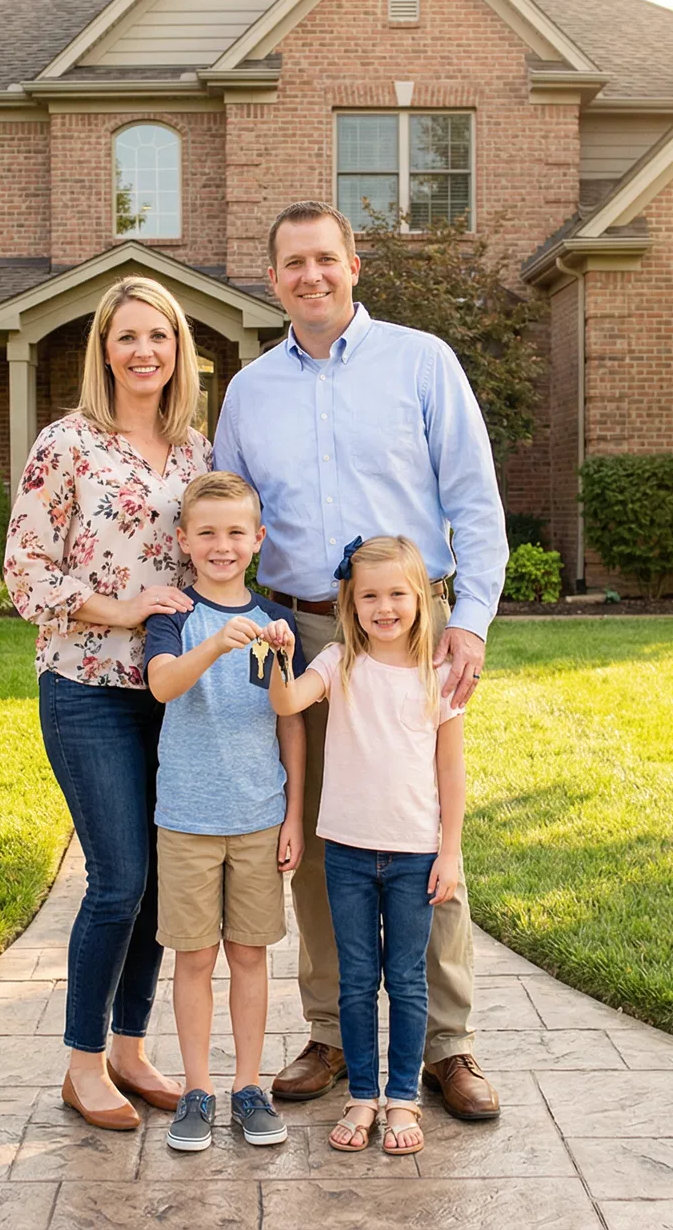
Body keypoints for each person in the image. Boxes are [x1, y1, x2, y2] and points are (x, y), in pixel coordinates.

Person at [213, 200, 508, 1120]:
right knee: (317, 834)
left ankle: (447, 1047)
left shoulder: (422, 362)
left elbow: (474, 499)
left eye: (326, 260)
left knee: (421, 825)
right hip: (301, 631)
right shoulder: (248, 391)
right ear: (273, 280)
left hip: (412, 631)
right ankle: (333, 1034)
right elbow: (229, 520)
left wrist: (473, 622)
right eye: (293, 264)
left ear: (354, 265)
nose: (312, 276)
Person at [5, 275, 210, 1130]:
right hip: (87, 689)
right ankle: (83, 1064)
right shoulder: (68, 443)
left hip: (174, 693)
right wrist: (122, 607)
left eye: (158, 337)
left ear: (178, 350)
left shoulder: (196, 450)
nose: (143, 352)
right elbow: (25, 570)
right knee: (118, 878)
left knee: (162, 884)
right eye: (126, 337)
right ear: (103, 349)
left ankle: (132, 1049)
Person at [263, 535, 465, 1156]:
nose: (385, 607)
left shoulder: (438, 675)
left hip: (414, 856)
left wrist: (450, 850)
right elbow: (287, 700)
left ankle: (402, 1099)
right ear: (349, 604)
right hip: (347, 853)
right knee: (355, 980)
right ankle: (361, 1095)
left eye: (397, 594)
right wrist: (279, 655)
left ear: (421, 600)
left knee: (405, 981)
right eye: (369, 596)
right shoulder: (337, 662)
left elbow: (452, 772)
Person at [142, 470, 306, 1153]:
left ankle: (247, 1087)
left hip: (260, 815)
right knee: (192, 959)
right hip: (185, 818)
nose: (221, 545)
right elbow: (162, 686)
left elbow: (287, 718)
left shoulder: (275, 623)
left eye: (236, 532)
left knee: (248, 956)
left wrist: (294, 814)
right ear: (183, 539)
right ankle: (196, 1091)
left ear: (257, 539)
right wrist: (212, 641)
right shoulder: (173, 616)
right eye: (206, 532)